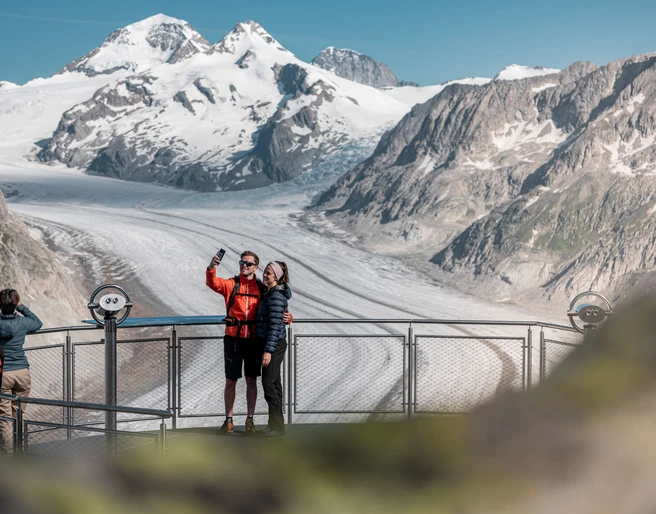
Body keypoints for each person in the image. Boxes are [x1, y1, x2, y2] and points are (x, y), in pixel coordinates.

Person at [206, 250, 291, 436]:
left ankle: (250, 421)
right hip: (233, 339)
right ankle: (229, 421)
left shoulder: (262, 287)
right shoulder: (232, 284)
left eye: (249, 264)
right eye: (242, 262)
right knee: (231, 381)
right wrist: (212, 267)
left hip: (254, 341)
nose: (244, 265)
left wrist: (288, 317)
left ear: (256, 267)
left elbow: (278, 305)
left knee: (252, 381)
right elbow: (213, 283)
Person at [0, 288, 42, 454]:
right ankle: (21, 450)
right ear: (16, 303)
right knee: (20, 414)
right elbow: (38, 323)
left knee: (4, 418)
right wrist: (22, 307)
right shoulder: (23, 323)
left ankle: (9, 455)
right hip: (22, 372)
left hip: (4, 373)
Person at [255, 261, 292, 438]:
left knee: (269, 385)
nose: (265, 275)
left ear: (276, 277)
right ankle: (274, 426)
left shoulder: (276, 296)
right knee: (274, 385)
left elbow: (275, 325)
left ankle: (277, 427)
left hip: (274, 345)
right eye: (265, 272)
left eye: (269, 273)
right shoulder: (269, 293)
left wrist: (268, 350)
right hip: (272, 343)